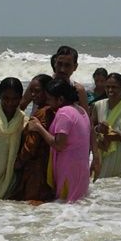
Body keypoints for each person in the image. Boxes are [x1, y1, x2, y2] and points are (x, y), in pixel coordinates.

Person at [26, 79, 92, 203]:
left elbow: (59, 145)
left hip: (68, 169)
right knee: (77, 206)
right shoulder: (81, 110)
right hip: (81, 169)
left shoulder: (64, 113)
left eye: (50, 99)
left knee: (64, 204)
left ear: (60, 99)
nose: (48, 102)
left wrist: (39, 128)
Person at [50, 45, 99, 178]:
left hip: (70, 152)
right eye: (59, 64)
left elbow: (88, 125)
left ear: (75, 67)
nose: (62, 69)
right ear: (54, 62)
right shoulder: (44, 84)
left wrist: (96, 156)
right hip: (45, 147)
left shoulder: (78, 90)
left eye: (67, 65)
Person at [10, 75, 55, 203]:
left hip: (35, 168)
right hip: (46, 164)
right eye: (31, 91)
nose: (33, 95)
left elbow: (31, 144)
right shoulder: (52, 110)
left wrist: (19, 161)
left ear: (47, 92)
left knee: (32, 202)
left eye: (37, 91)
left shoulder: (42, 113)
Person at [92, 72, 121, 178]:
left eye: (114, 87)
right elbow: (90, 132)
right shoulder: (98, 106)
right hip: (103, 156)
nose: (110, 90)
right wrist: (98, 129)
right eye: (107, 87)